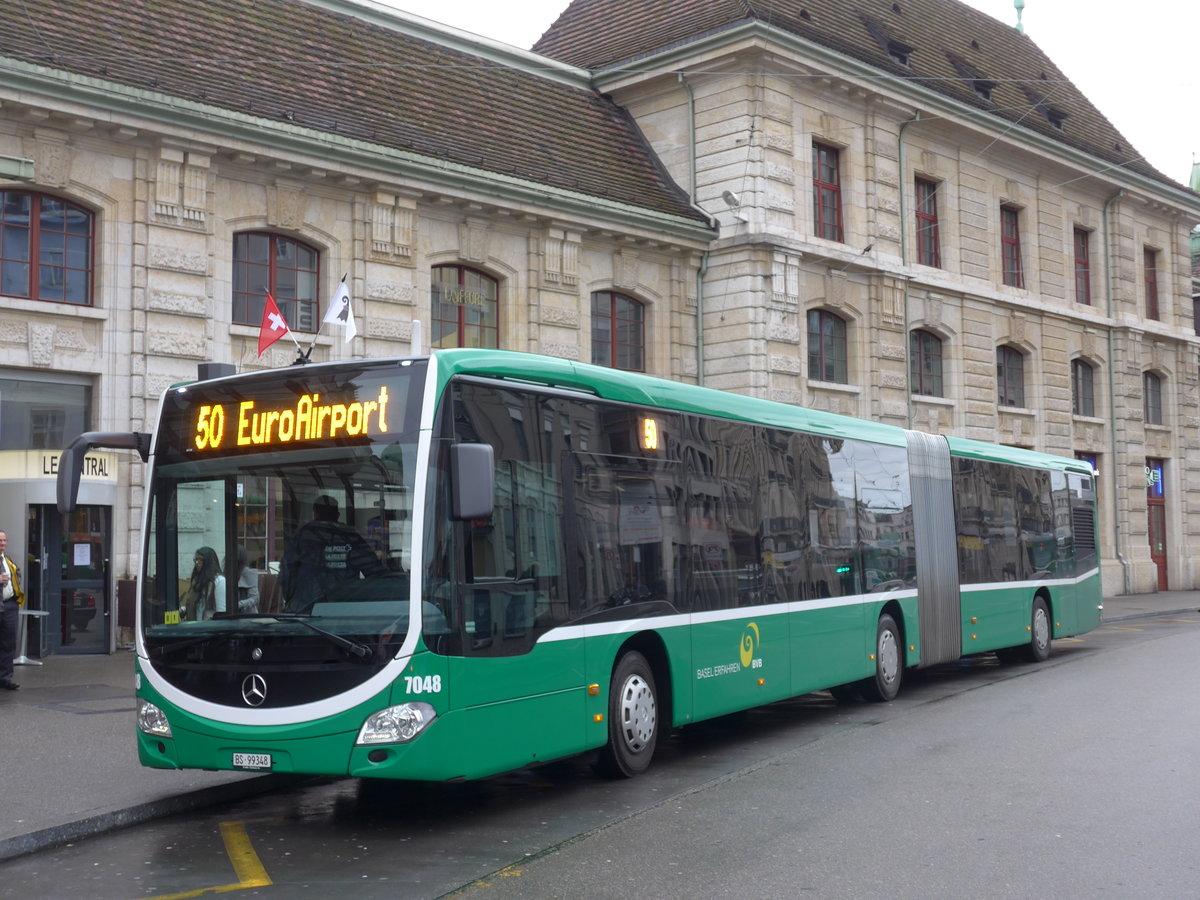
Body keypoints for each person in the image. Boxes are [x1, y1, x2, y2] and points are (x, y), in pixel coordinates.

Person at [280, 495, 384, 611]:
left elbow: (286, 576)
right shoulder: (349, 536)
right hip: (344, 609)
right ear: (337, 515)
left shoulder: (302, 537)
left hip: (306, 610)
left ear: (315, 513)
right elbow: (375, 572)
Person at [0, 531, 25, 690]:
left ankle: (5, 678)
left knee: (8, 644)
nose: (2, 543)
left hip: (9, 605)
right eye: (0, 541)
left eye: (4, 540)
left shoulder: (7, 559)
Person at [181, 546, 225, 620]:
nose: (197, 563)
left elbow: (221, 612)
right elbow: (198, 604)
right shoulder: (197, 581)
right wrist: (184, 609)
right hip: (196, 627)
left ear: (209, 562)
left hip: (210, 627)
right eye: (196, 559)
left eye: (201, 560)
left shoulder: (220, 581)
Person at [232, 546, 259, 613]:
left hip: (246, 614)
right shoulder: (227, 572)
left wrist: (239, 604)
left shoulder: (249, 573)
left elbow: (255, 598)